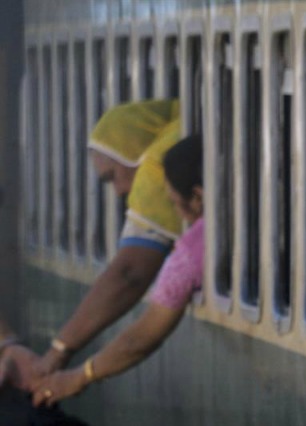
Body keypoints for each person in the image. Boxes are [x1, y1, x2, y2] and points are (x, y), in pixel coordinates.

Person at [31, 134, 204, 407]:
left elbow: (141, 337)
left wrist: (79, 376)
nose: (179, 215)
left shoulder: (190, 254)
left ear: (197, 197)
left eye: (173, 202)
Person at [33, 100, 183, 379]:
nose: (119, 192)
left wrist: (59, 349)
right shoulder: (179, 128)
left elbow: (129, 274)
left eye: (112, 176)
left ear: (132, 152)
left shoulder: (154, 169)